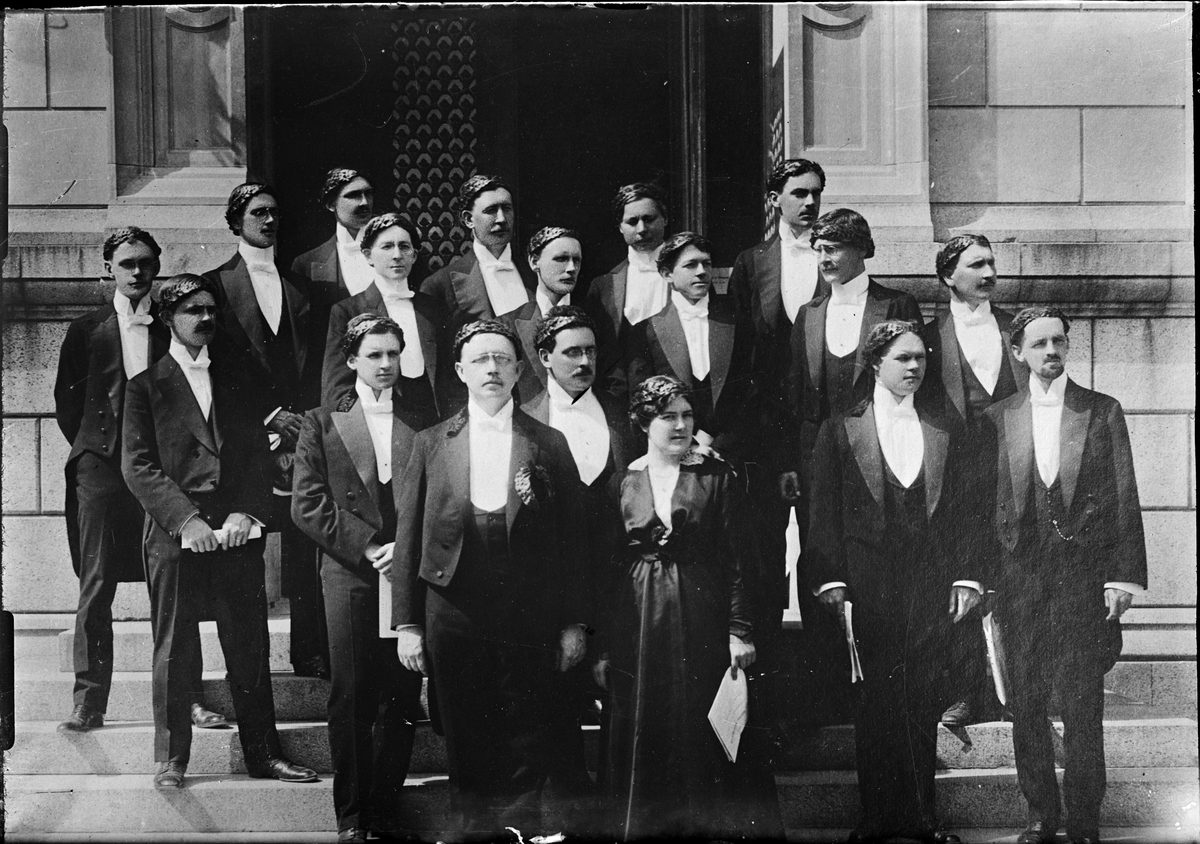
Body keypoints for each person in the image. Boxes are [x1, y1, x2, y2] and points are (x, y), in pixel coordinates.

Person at [390, 320, 587, 840]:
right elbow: (408, 536)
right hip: (453, 607)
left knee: (527, 727)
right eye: (480, 360)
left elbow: (572, 542)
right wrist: (407, 623)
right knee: (464, 728)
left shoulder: (548, 442)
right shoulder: (431, 442)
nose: (492, 369)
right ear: (460, 371)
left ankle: (519, 831)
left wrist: (573, 622)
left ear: (520, 370)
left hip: (528, 608)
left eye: (502, 359)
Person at [122, 273, 318, 790]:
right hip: (175, 535)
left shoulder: (235, 381)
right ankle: (171, 759)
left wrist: (245, 513)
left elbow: (256, 456)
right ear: (168, 319)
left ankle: (264, 755)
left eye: (211, 310)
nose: (206, 318)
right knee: (174, 646)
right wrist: (187, 520)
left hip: (234, 533)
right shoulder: (144, 387)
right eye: (194, 311)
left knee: (249, 644)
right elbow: (138, 466)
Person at [806, 320, 985, 844]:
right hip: (868, 584)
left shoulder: (945, 428)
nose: (914, 367)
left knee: (922, 696)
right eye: (902, 358)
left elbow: (966, 509)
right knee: (874, 699)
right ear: (874, 363)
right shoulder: (839, 429)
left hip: (930, 582)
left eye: (920, 358)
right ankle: (876, 818)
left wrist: (967, 575)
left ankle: (922, 817)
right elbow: (824, 513)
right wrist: (829, 579)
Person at [982, 307, 1147, 844]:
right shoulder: (998, 416)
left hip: (1081, 580)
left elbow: (1124, 494)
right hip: (1019, 581)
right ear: (1018, 353)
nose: (1051, 351)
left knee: (1081, 702)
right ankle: (1040, 814)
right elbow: (982, 505)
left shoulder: (1100, 410)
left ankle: (1083, 820)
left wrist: (1122, 577)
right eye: (1039, 344)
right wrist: (982, 579)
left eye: (1058, 341)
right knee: (1025, 701)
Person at [593, 375, 782, 841]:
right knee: (646, 724)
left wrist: (739, 630)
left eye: (687, 416)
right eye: (667, 417)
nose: (680, 426)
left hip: (703, 615)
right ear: (643, 423)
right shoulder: (622, 481)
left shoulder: (716, 478)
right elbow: (607, 569)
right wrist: (603, 645)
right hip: (638, 620)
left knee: (702, 724)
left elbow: (738, 561)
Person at [53, 228, 223, 733]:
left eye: (146, 263)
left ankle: (189, 698)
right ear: (108, 268)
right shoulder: (86, 329)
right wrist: (100, 449)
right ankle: (89, 700)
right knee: (97, 581)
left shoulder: (172, 323)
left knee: (175, 585)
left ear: (156, 267)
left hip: (160, 471)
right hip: (102, 471)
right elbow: (67, 403)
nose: (137, 272)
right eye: (127, 263)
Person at [292, 314, 437, 844]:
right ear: (351, 359)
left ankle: (385, 810)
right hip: (351, 570)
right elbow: (308, 504)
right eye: (374, 355)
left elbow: (439, 493)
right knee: (352, 693)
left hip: (406, 570)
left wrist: (406, 549)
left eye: (393, 354)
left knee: (401, 693)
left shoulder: (424, 420)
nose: (385, 364)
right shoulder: (321, 422)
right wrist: (370, 546)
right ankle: (352, 817)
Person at [782, 209, 924, 726]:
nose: (824, 257)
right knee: (822, 563)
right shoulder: (809, 313)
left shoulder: (896, 304)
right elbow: (798, 396)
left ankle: (889, 686)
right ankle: (831, 689)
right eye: (818, 248)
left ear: (861, 249)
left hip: (882, 459)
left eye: (834, 247)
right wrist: (792, 463)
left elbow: (915, 380)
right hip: (821, 463)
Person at [204, 182, 329, 680]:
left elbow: (315, 363)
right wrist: (268, 415)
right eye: (258, 213)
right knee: (245, 553)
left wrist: (304, 421)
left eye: (274, 212)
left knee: (306, 542)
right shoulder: (214, 287)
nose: (269, 220)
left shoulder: (301, 286)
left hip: (302, 433)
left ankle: (309, 650)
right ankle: (248, 667)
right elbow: (215, 368)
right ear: (236, 222)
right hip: (246, 435)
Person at [727, 157, 832, 751]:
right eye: (797, 193)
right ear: (775, 199)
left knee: (822, 561)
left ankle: (823, 694)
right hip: (767, 445)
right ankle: (763, 699)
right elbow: (742, 360)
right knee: (765, 565)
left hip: (825, 442)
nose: (809, 203)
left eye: (816, 193)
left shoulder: (835, 259)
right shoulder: (752, 264)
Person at [522, 304, 633, 825]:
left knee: (619, 684)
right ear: (545, 357)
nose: (584, 361)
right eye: (572, 352)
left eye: (590, 351)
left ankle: (618, 799)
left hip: (619, 577)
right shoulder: (524, 418)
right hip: (555, 583)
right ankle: (568, 798)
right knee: (558, 690)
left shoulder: (623, 414)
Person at [920, 234, 1025, 728]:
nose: (989, 274)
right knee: (959, 581)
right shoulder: (926, 338)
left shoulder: (1017, 330)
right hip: (953, 481)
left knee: (1016, 577)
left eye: (991, 263)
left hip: (1013, 475)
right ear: (948, 276)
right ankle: (965, 691)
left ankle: (1023, 688)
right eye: (976, 265)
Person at [626, 231, 757, 461]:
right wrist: (691, 445)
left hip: (732, 454)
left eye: (706, 264)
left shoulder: (738, 323)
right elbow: (644, 400)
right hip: (674, 455)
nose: (702, 271)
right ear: (667, 274)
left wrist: (720, 445)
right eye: (690, 265)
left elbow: (752, 391)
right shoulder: (645, 331)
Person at [320, 213, 442, 415]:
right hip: (380, 417)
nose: (397, 255)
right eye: (387, 247)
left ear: (414, 255)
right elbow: (337, 388)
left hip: (433, 418)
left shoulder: (432, 308)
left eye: (404, 246)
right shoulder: (347, 311)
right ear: (368, 256)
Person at [584, 182, 670, 401]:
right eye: (632, 222)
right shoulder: (603, 287)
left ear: (665, 219)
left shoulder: (688, 276)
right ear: (620, 227)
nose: (642, 229)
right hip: (620, 402)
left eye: (649, 219)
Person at [501, 227, 584, 404]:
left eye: (576, 260)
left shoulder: (597, 319)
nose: (571, 268)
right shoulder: (508, 324)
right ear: (534, 262)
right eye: (561, 259)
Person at [290, 167, 378, 302]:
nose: (365, 202)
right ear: (331, 204)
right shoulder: (305, 264)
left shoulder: (396, 252)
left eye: (368, 194)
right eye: (353, 195)